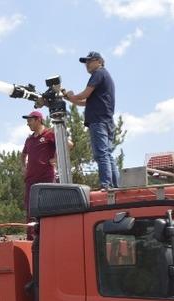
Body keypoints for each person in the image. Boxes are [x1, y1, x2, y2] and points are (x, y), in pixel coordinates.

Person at [64, 51, 119, 189]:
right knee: (107, 154)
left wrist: (71, 95)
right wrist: (71, 99)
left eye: (90, 61)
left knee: (101, 154)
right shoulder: (104, 75)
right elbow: (86, 102)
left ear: (99, 61)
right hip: (106, 121)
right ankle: (115, 185)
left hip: (98, 121)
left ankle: (106, 185)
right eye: (86, 62)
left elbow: (85, 94)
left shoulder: (98, 73)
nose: (87, 64)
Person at [21, 110, 56, 239]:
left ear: (38, 120)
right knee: (30, 210)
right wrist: (23, 167)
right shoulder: (29, 140)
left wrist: (56, 158)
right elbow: (23, 154)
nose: (28, 124)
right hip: (31, 180)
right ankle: (31, 239)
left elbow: (68, 144)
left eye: (30, 120)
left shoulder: (49, 134)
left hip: (46, 178)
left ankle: (48, 237)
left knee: (47, 207)